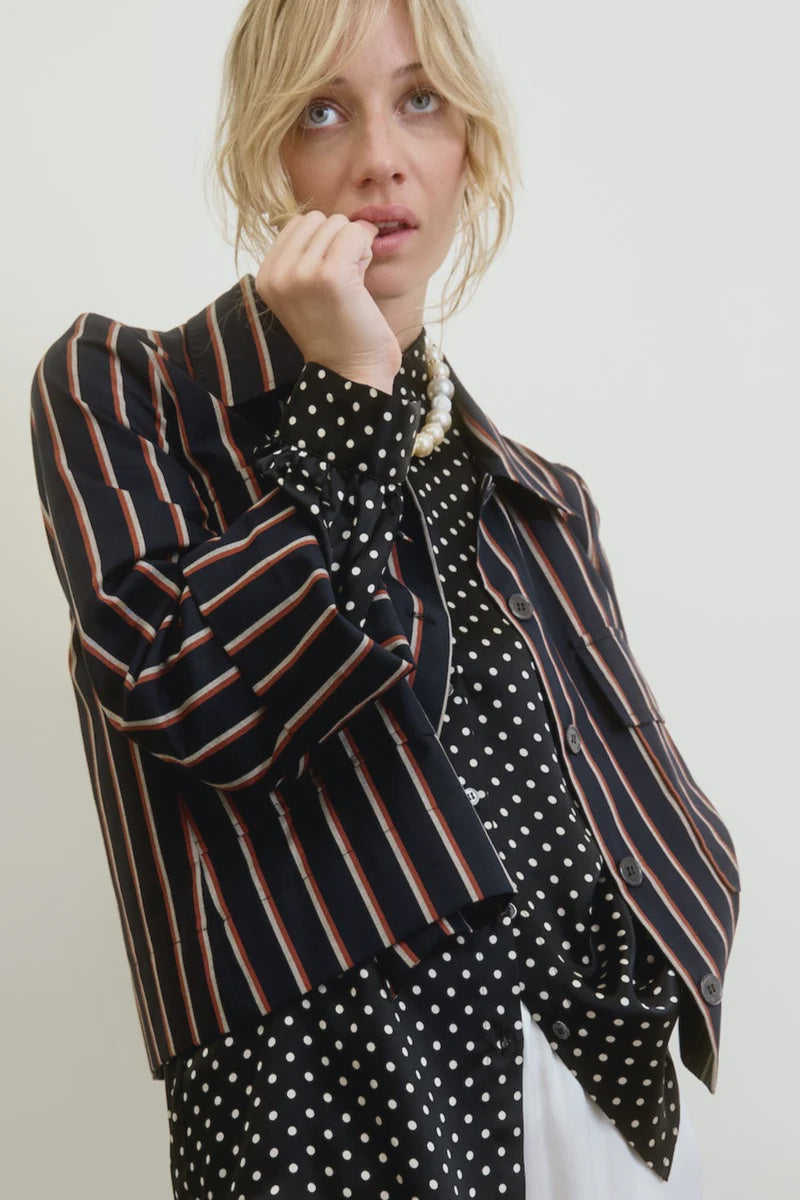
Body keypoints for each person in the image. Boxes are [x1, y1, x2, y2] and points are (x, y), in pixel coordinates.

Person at [29, 0, 740, 1196]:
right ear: (266, 154)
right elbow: (196, 701)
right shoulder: (128, 390)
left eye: (421, 101)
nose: (379, 158)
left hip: (600, 1084)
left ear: (472, 146)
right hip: (325, 1086)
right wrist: (347, 395)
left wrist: (677, 926)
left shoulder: (536, 495)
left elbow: (621, 780)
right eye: (322, 111)